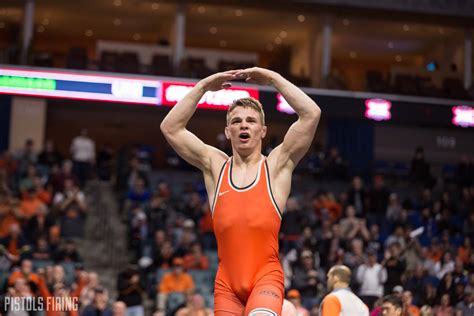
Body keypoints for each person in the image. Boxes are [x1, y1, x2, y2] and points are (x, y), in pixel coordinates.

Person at [161, 67, 321, 315]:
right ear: (228, 132)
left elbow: (311, 114)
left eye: (250, 121)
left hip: (265, 279)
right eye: (236, 121)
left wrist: (273, 79)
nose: (243, 125)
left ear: (262, 131)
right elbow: (171, 128)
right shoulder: (215, 166)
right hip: (227, 287)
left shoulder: (276, 166)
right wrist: (202, 87)